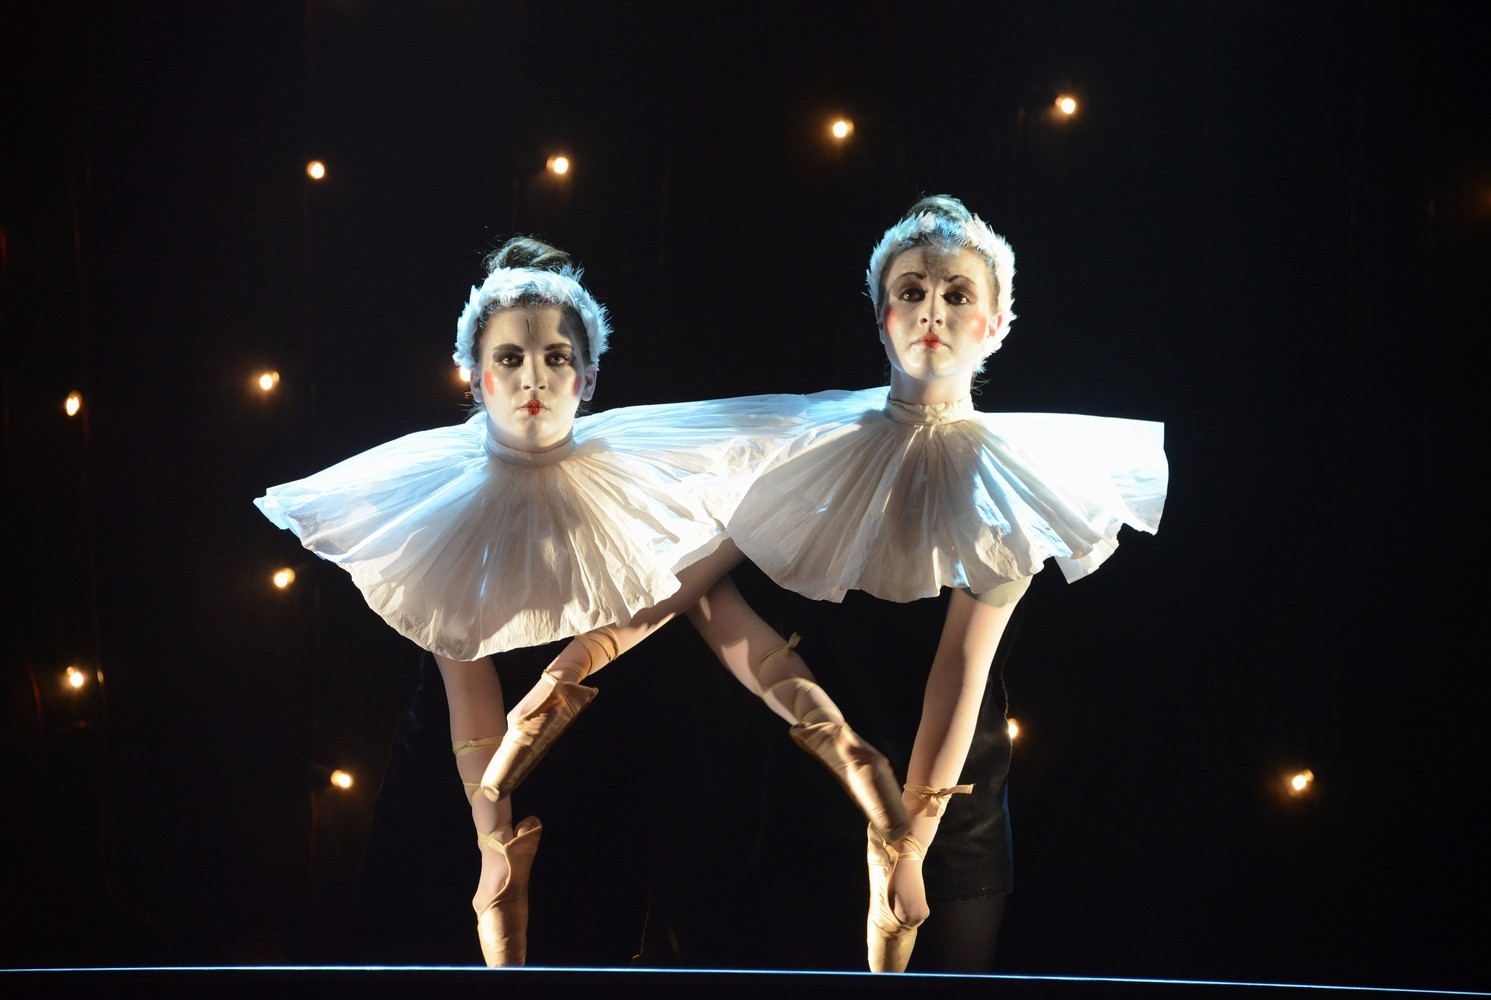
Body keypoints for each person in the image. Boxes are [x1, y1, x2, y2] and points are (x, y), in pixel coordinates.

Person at [255, 237, 904, 967]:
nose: (533, 377)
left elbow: (725, 622)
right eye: (509, 359)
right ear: (474, 376)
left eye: (556, 358)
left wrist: (826, 725)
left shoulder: (635, 487)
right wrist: (493, 844)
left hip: (599, 786)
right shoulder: (440, 496)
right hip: (454, 782)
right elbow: (468, 686)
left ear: (588, 376)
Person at [714, 195, 1170, 972]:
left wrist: (909, 844)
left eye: (958, 294)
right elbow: (701, 583)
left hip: (951, 809)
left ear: (995, 323)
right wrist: (802, 706)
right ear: (882, 316)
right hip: (816, 784)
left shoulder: (1013, 479)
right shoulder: (807, 449)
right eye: (912, 291)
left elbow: (961, 665)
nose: (933, 309)